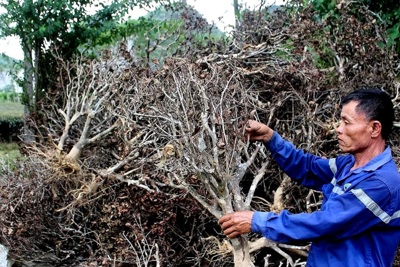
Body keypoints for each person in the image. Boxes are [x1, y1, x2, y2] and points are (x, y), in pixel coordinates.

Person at [218, 87, 400, 266]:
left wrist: (258, 221)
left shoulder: (382, 184)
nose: (339, 129)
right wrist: (270, 137)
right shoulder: (348, 165)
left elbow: (326, 223)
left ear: (375, 128)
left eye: (347, 122)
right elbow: (308, 167)